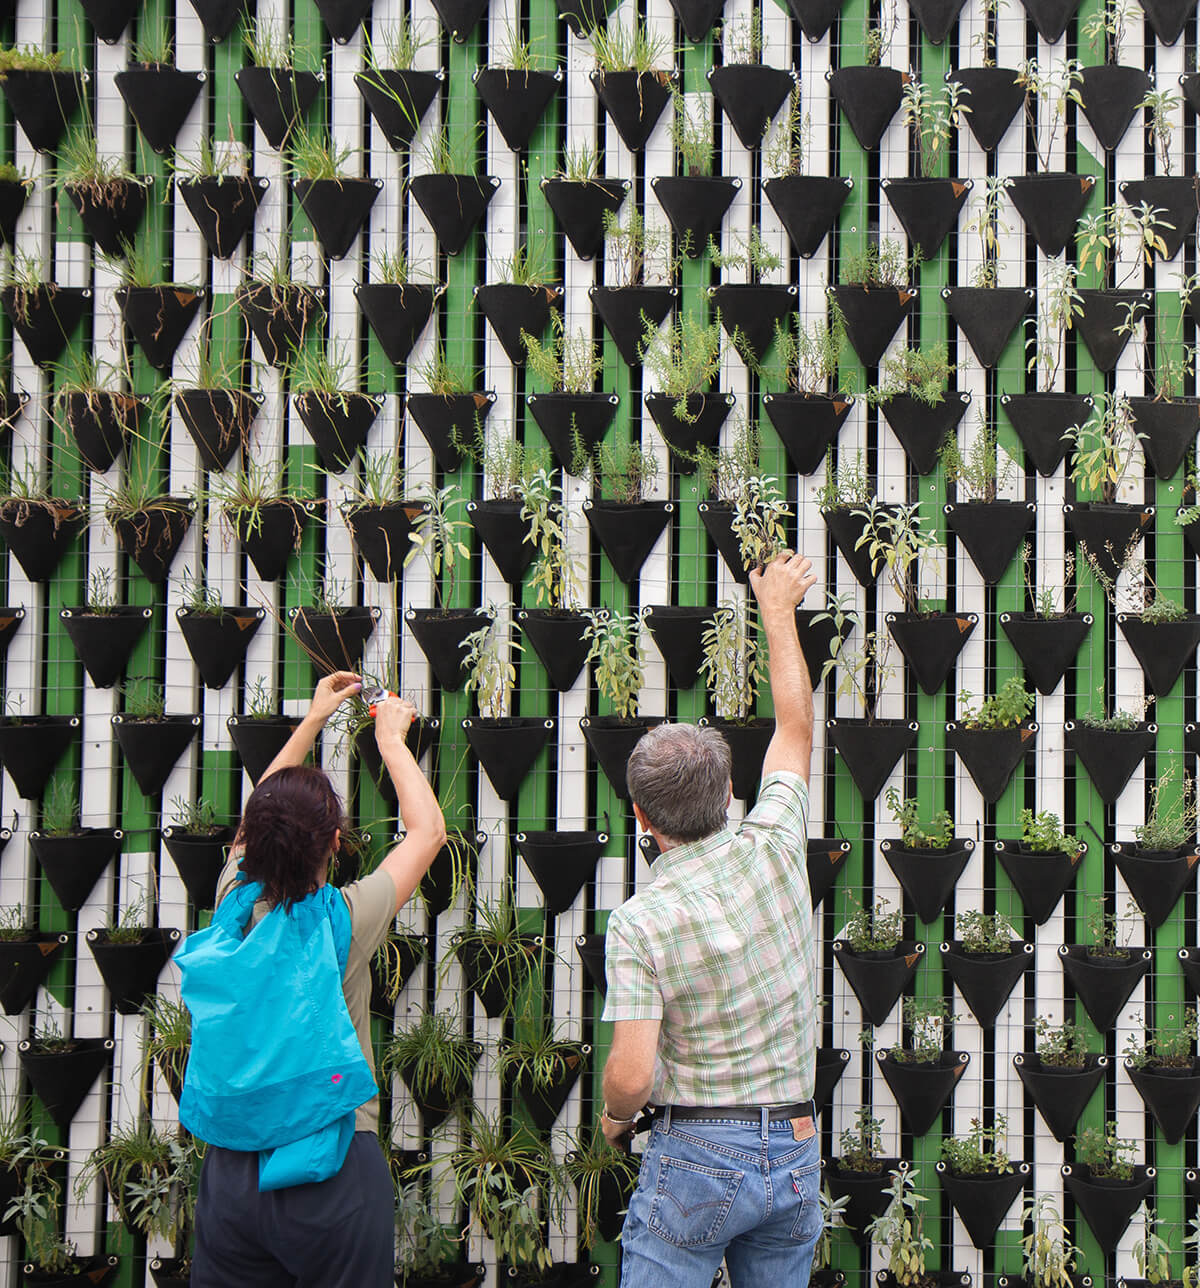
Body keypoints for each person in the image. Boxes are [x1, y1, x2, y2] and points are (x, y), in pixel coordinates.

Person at [599, 551, 822, 1288]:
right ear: (730, 790)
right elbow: (795, 724)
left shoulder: (639, 921)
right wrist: (777, 612)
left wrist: (613, 1120)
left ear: (641, 815)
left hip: (695, 1154)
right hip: (793, 1146)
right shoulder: (777, 843)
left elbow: (631, 1077)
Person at [188, 672, 446, 1288]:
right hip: (330, 1163)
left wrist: (311, 720)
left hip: (231, 1168)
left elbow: (258, 820)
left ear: (250, 845)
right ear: (335, 841)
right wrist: (391, 740)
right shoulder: (343, 923)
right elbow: (427, 832)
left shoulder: (232, 904)